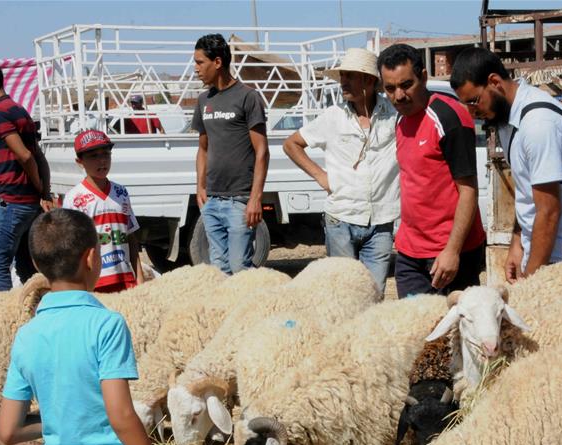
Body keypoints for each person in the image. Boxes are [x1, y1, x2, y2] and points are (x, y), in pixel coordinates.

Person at [0, 208, 180, 445]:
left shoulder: (27, 335)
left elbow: (8, 430)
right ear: (92, 258)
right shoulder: (106, 325)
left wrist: (59, 419)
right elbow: (120, 414)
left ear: (36, 263)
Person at [450, 48, 562, 282]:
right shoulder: (507, 118)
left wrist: (533, 281)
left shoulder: (538, 124)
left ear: (494, 82)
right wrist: (517, 243)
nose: (472, 113)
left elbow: (549, 210)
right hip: (545, 252)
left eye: (474, 101)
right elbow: (528, 193)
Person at [283, 47, 399, 293]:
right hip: (341, 218)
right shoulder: (332, 117)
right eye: (342, 76)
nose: (342, 82)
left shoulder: (394, 115)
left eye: (349, 76)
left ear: (368, 80)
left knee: (374, 290)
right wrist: (321, 177)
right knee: (344, 291)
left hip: (381, 221)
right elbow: (292, 144)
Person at [377, 43, 484, 297]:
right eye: (390, 89)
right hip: (410, 251)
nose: (399, 96)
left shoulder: (449, 117)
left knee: (454, 332)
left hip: (449, 252)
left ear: (423, 77)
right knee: (414, 330)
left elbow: (468, 190)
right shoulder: (400, 120)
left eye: (406, 85)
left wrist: (452, 251)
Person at [0, 57, 53, 291]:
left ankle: (7, 319)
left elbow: (25, 156)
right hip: (29, 204)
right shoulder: (19, 110)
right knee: (27, 267)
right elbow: (39, 157)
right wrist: (43, 193)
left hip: (13, 201)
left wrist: (37, 186)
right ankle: (35, 311)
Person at [191, 33, 269, 274]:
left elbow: (262, 151)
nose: (196, 69)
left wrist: (255, 198)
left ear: (217, 62)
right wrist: (200, 186)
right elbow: (203, 148)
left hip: (239, 201)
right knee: (219, 270)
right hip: (212, 201)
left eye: (199, 62)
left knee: (239, 269)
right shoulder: (204, 100)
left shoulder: (248, 97)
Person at [63, 129, 145, 292]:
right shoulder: (74, 199)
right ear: (80, 161)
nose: (102, 161)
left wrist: (140, 277)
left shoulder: (121, 193)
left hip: (125, 280)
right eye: (93, 156)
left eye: (106, 154)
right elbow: (71, 248)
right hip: (94, 283)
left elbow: (130, 237)